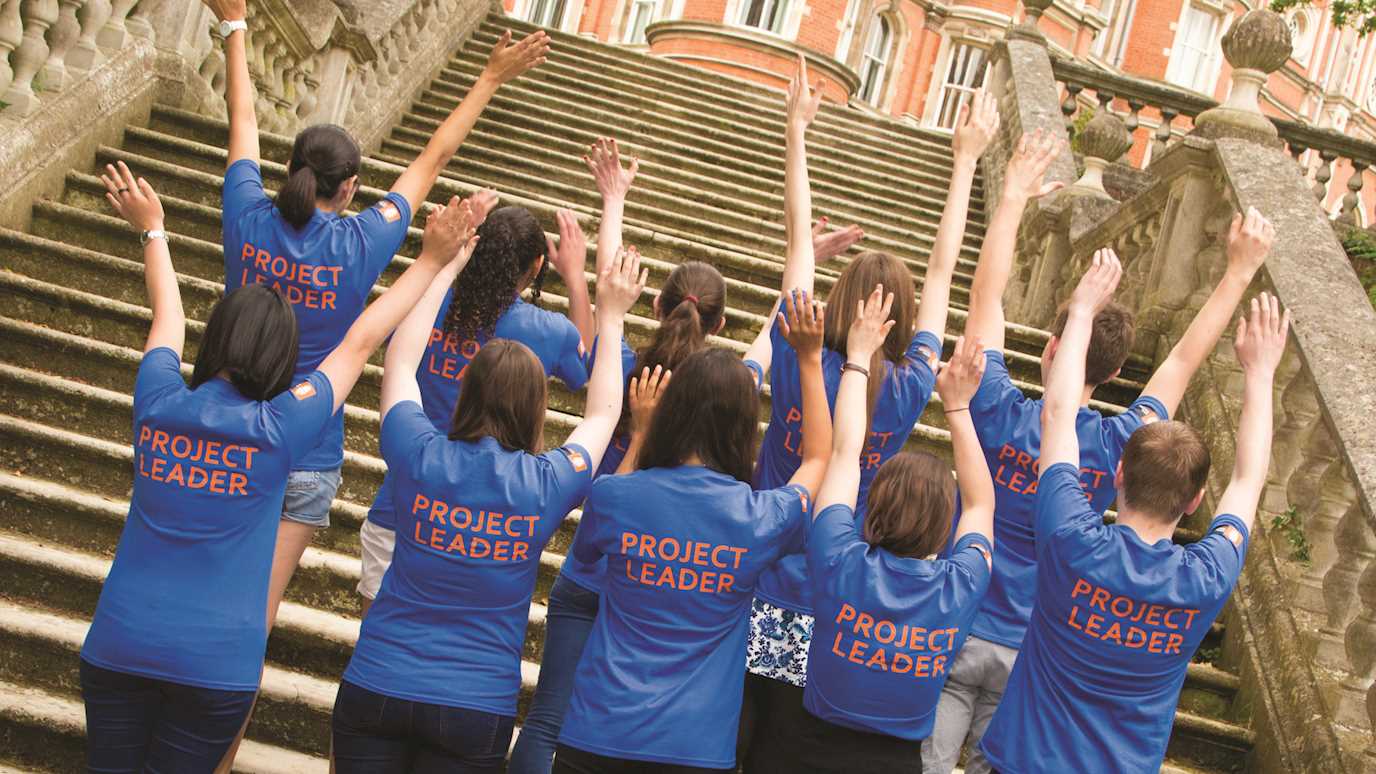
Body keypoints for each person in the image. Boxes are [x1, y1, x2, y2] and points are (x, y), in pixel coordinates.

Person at [78, 164, 475, 772]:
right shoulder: (281, 428)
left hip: (118, 642)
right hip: (215, 664)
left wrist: (154, 230)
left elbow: (168, 319)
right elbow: (360, 342)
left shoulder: (158, 403)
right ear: (280, 357)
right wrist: (430, 260)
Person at [922, 133, 1276, 772]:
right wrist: (1239, 281)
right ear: (1195, 499)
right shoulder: (1122, 463)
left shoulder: (1013, 430)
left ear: (1051, 349)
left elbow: (986, 303)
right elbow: (1188, 370)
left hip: (963, 621)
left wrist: (1010, 199)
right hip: (1032, 640)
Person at [201, 0, 550, 634]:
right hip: (309, 444)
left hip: (222, 431)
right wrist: (490, 78)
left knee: (199, 585)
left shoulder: (245, 216)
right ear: (351, 187)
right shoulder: (361, 242)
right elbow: (432, 160)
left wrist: (236, 28)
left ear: (289, 172)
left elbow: (242, 118)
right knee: (256, 617)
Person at [740, 63, 999, 754]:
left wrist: (795, 130)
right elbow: (943, 272)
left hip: (763, 572)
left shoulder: (802, 350)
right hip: (843, 596)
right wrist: (965, 163)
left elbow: (800, 242)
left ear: (839, 298)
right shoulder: (914, 381)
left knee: (752, 748)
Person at [331, 240, 646, 771]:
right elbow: (605, 413)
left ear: (468, 392)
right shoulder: (545, 483)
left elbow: (402, 360)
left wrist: (443, 265)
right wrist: (610, 317)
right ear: (535, 408)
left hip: (377, 680)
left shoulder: (419, 451)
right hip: (474, 704)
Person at [977, 253, 1286, 773]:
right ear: (1193, 503)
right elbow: (1248, 479)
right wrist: (1261, 374)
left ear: (1117, 476)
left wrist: (1081, 313)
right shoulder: (1206, 576)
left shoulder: (1070, 539)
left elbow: (1057, 413)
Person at [554, 291, 833, 773]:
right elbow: (819, 459)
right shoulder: (759, 518)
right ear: (743, 428)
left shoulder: (616, 496)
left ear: (672, 410)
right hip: (694, 748)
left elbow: (587, 554)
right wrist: (809, 360)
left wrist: (639, 438)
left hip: (598, 731)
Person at [755, 288, 995, 773]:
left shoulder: (838, 556)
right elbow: (982, 502)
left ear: (875, 503)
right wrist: (958, 408)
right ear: (942, 529)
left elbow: (843, 453)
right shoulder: (961, 583)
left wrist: (859, 358)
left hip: (798, 752)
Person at [357, 196, 594, 614]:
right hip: (491, 522)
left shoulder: (430, 305)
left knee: (377, 640)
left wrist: (446, 259)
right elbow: (589, 371)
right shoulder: (550, 330)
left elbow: (400, 359)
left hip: (403, 503)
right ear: (537, 265)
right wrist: (575, 278)